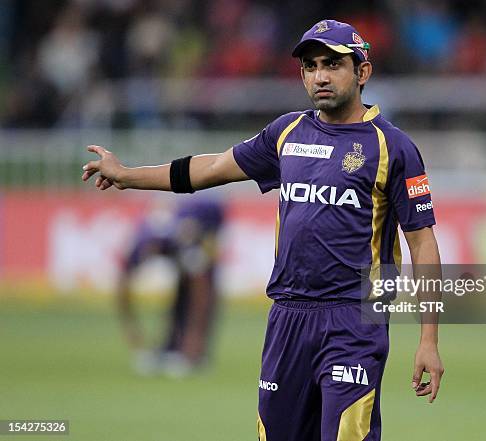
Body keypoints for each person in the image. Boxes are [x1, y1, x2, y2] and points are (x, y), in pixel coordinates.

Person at [82, 19, 443, 441]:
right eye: (310, 66)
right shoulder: (287, 132)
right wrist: (128, 176)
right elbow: (214, 168)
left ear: (362, 72)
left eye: (332, 64)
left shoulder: (392, 146)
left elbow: (422, 243)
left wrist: (428, 340)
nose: (319, 76)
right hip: (287, 318)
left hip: (355, 320)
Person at [117, 197, 223, 377]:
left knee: (199, 288)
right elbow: (122, 291)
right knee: (181, 290)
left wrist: (194, 340)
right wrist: (134, 335)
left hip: (211, 213)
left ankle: (195, 352)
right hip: (187, 215)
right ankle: (171, 345)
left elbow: (202, 291)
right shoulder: (140, 244)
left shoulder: (184, 241)